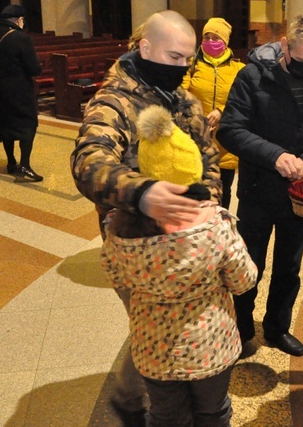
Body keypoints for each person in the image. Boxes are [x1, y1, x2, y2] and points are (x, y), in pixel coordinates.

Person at [70, 10, 221, 424]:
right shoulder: (114, 101)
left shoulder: (185, 101)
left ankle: (162, 391)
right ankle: (132, 398)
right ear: (146, 47)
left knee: (171, 321)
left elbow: (209, 161)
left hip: (187, 232)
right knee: (151, 323)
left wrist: (209, 206)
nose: (182, 68)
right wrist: (142, 192)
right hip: (135, 239)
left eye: (187, 60)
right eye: (174, 58)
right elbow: (89, 161)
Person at [102, 104, 257, 427]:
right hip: (210, 346)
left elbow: (116, 276)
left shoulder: (119, 226)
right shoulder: (215, 224)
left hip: (153, 348)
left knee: (167, 416)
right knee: (213, 412)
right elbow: (244, 280)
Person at [217, 14, 303, 357]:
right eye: (301, 59)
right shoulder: (253, 75)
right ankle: (240, 330)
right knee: (248, 265)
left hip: (301, 193)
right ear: (285, 45)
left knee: (290, 265)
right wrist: (275, 156)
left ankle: (277, 328)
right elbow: (230, 129)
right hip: (259, 188)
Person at [182, 18, 245, 209]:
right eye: (206, 37)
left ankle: (219, 227)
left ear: (225, 41)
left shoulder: (238, 69)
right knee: (194, 190)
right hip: (196, 138)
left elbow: (242, 100)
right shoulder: (191, 65)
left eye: (215, 37)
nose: (210, 41)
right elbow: (179, 93)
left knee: (222, 191)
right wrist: (197, 115)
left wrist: (221, 111)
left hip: (225, 141)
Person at [0, 4, 43, 182]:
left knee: (4, 123)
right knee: (27, 124)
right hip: (17, 88)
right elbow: (33, 68)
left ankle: (11, 162)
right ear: (19, 20)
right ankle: (24, 165)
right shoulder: (21, 38)